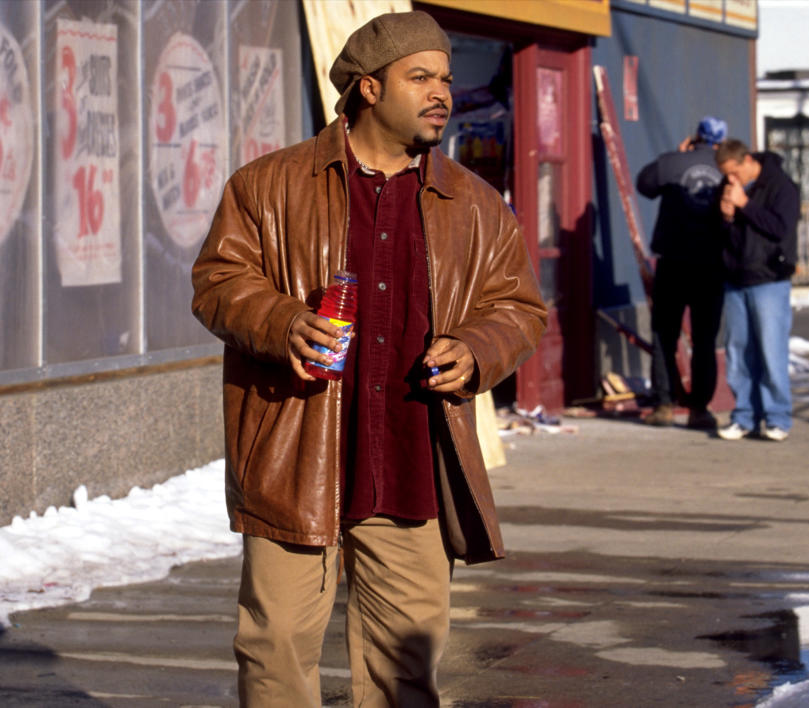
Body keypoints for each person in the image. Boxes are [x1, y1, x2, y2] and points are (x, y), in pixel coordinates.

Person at [191, 11, 546, 707]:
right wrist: (283, 322)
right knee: (276, 653)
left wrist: (476, 350)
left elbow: (521, 309)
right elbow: (218, 282)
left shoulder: (474, 205)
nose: (441, 91)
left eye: (445, 77)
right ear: (368, 89)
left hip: (413, 462)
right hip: (296, 460)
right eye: (420, 77)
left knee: (406, 670)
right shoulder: (269, 185)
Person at [636, 116, 728, 429]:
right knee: (704, 338)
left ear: (695, 137)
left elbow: (644, 184)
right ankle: (700, 409)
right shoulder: (726, 167)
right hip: (711, 264)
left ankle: (663, 404)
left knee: (665, 334)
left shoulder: (673, 161)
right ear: (721, 143)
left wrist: (678, 154)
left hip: (673, 261)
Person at [714, 138, 800, 441]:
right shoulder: (728, 189)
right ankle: (744, 416)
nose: (730, 180)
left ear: (748, 161)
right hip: (736, 279)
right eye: (725, 174)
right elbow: (721, 235)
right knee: (738, 352)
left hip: (769, 279)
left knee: (771, 350)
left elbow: (781, 228)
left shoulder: (780, 186)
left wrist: (745, 205)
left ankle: (778, 418)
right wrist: (725, 215)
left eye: (734, 173)